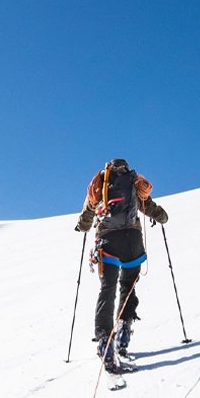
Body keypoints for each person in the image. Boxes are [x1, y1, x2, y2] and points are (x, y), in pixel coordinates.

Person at [73, 158, 169, 374]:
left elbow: (88, 213)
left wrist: (82, 226)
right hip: (132, 242)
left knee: (107, 289)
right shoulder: (134, 182)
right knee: (128, 286)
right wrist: (162, 217)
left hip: (108, 242)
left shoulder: (101, 183)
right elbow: (149, 207)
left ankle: (104, 340)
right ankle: (124, 329)